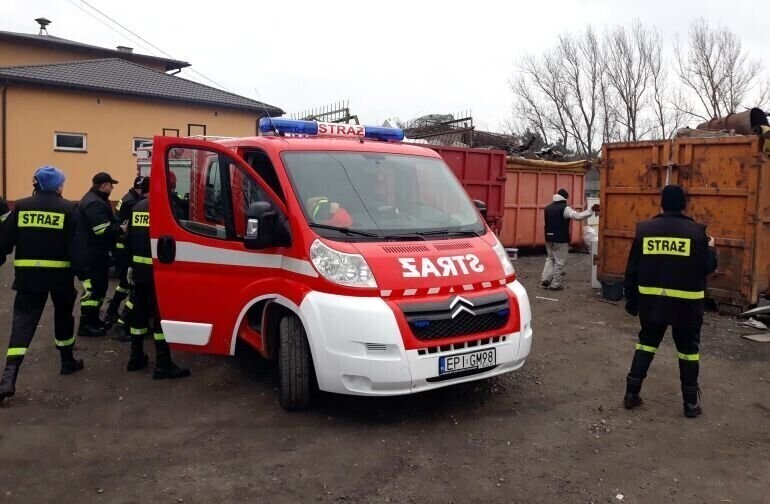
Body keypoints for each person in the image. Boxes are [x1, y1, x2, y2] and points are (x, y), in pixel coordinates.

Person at [623, 185, 718, 418]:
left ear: (661, 203)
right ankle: (690, 404)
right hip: (687, 307)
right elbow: (708, 267)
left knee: (646, 345)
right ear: (684, 204)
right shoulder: (697, 233)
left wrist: (631, 302)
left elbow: (632, 270)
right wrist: (712, 250)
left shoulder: (644, 230)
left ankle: (631, 394)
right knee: (688, 352)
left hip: (652, 304)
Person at [0, 166, 89, 403]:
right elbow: (77, 248)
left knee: (22, 324)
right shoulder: (69, 209)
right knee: (64, 318)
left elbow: (4, 242)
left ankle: (9, 377)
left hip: (28, 279)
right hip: (60, 279)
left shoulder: (20, 206)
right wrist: (84, 277)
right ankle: (67, 362)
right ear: (58, 186)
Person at [126, 177, 190, 379]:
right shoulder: (169, 208)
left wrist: (129, 266)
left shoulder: (137, 207)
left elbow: (129, 239)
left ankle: (135, 357)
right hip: (159, 272)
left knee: (139, 315)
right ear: (170, 186)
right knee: (161, 316)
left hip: (139, 271)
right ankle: (163, 363)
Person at [78, 172, 124, 336]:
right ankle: (86, 324)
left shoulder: (95, 200)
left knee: (99, 288)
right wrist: (120, 229)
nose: (112, 188)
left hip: (97, 253)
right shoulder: (94, 203)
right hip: (92, 254)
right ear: (104, 185)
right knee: (93, 291)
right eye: (111, 185)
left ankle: (94, 320)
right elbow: (101, 230)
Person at [104, 176, 147, 337]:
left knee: (124, 283)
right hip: (125, 249)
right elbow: (133, 231)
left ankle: (112, 309)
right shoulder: (133, 204)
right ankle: (119, 318)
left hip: (124, 248)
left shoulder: (129, 198)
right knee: (131, 286)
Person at [541, 188, 600, 290]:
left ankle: (545, 280)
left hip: (548, 238)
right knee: (559, 261)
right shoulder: (565, 208)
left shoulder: (547, 208)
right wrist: (591, 210)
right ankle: (555, 284)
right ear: (565, 198)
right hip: (561, 239)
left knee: (550, 258)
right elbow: (577, 216)